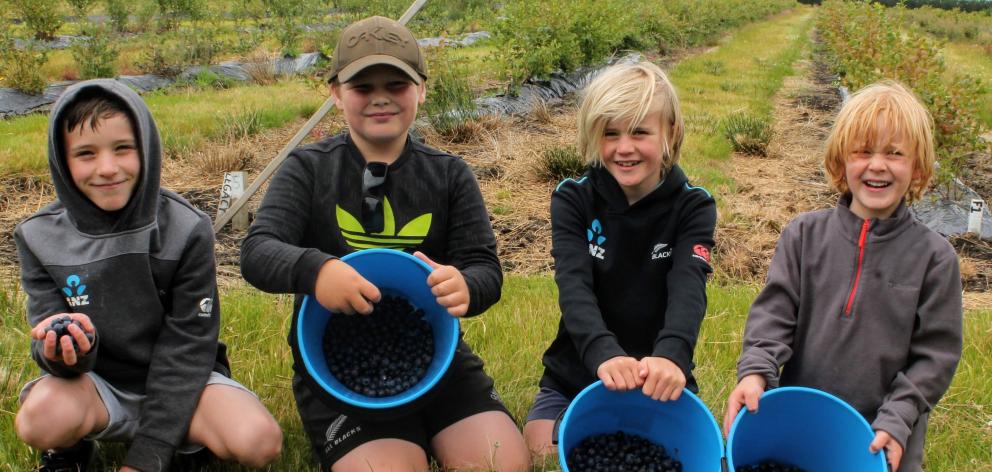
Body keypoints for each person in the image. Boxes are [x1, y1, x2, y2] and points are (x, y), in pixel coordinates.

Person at [239, 15, 530, 472]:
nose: (380, 98)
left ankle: (432, 418)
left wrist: (466, 287)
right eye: (361, 86)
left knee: (500, 464)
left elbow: (484, 267)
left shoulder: (449, 174)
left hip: (432, 351)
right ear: (336, 93)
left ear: (422, 90)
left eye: (397, 84)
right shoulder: (308, 168)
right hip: (339, 367)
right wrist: (317, 271)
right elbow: (257, 252)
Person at [13, 79, 282, 472]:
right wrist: (65, 350)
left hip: (185, 384)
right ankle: (70, 449)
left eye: (123, 148)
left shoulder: (187, 228)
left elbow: (188, 346)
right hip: (97, 386)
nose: (108, 168)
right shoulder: (38, 237)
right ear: (62, 160)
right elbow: (50, 346)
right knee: (40, 419)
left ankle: (180, 441)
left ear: (147, 149)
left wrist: (146, 457)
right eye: (86, 154)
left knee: (258, 441)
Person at [724, 81, 962, 471]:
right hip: (802, 428)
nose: (877, 165)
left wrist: (898, 417)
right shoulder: (803, 235)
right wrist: (756, 370)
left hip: (880, 440)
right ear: (840, 161)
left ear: (917, 167)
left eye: (895, 153)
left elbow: (934, 357)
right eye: (863, 152)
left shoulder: (935, 258)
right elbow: (774, 315)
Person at [522, 61, 717, 458]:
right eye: (610, 133)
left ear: (670, 134)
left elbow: (688, 289)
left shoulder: (693, 206)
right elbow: (574, 286)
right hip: (576, 373)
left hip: (657, 378)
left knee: (687, 455)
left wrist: (671, 356)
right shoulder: (573, 199)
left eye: (640, 132)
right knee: (548, 452)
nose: (624, 148)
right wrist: (602, 353)